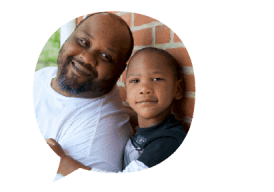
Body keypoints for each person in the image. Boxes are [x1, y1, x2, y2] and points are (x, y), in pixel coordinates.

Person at [47, 47, 188, 180]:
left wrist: (64, 164)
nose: (144, 88)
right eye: (135, 81)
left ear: (178, 89)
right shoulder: (148, 130)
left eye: (156, 79)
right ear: (127, 93)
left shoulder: (169, 141)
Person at [32, 12, 136, 181]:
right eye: (83, 42)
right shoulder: (42, 75)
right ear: (69, 37)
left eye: (106, 57)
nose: (86, 58)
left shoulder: (102, 135)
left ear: (119, 72)